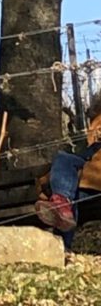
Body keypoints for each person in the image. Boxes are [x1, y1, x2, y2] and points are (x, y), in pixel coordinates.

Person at [35, 93, 101, 240]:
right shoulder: (93, 147)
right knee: (69, 191)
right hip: (88, 185)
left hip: (92, 180)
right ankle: (61, 204)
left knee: (65, 162)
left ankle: (60, 202)